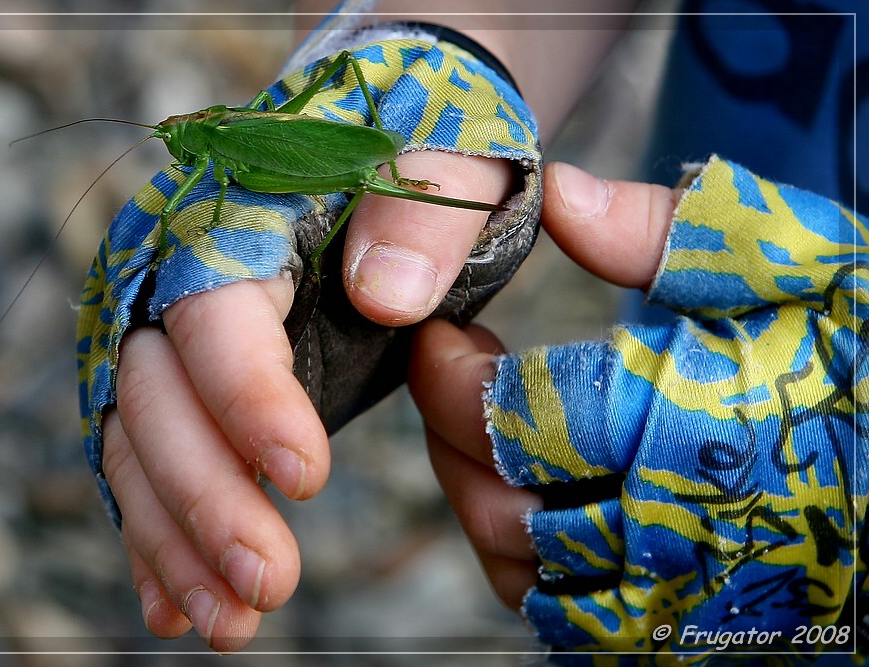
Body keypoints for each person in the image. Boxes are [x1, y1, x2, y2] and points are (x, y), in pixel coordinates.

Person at [78, 1, 866, 660]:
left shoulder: (215, 148)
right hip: (666, 400)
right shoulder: (206, 140)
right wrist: (447, 41)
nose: (177, 149)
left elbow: (229, 168)